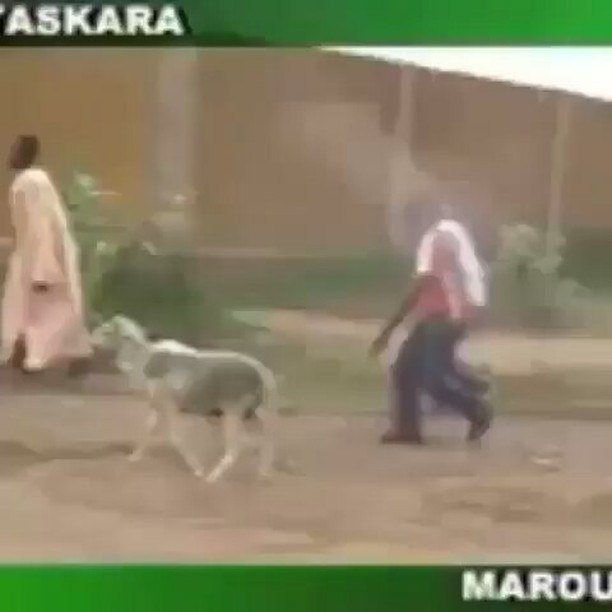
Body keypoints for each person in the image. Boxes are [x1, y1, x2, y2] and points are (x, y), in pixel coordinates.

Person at [370, 221, 492, 445]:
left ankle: (477, 409)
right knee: (405, 370)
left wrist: (387, 331)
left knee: (431, 379)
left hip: (443, 321)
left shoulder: (435, 245)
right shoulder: (439, 243)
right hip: (436, 320)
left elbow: (417, 290)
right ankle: (408, 429)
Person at [1, 135, 92, 375]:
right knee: (32, 308)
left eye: (16, 150)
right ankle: (28, 351)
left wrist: (42, 268)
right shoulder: (34, 180)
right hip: (37, 252)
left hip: (41, 253)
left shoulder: (29, 182)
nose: (10, 155)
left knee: (45, 311)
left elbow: (40, 224)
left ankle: (38, 356)